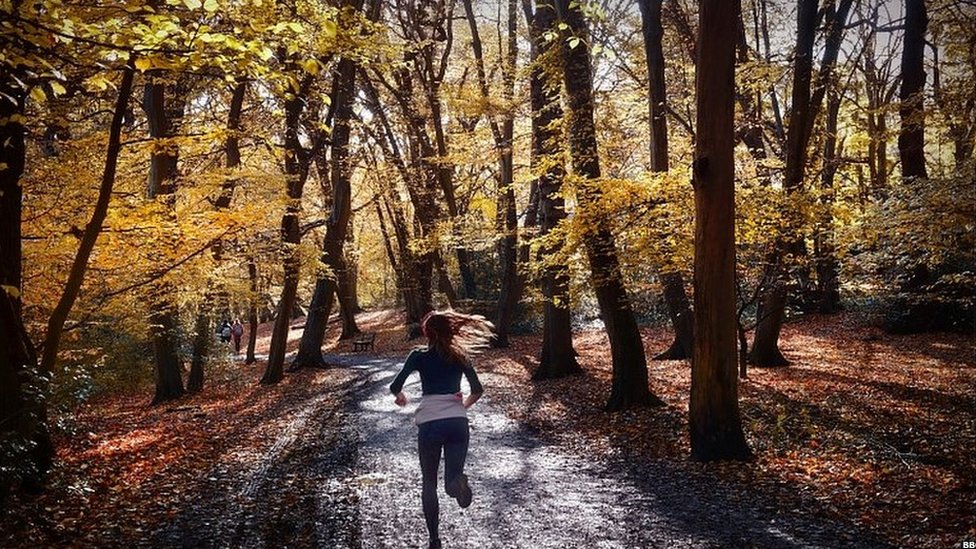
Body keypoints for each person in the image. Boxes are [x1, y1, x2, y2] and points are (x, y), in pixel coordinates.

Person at [390, 310, 492, 549]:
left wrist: (401, 396)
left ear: (427, 332)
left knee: (429, 482)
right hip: (457, 422)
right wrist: (461, 405)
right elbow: (477, 389)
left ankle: (434, 539)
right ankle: (457, 485)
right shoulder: (460, 356)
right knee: (450, 481)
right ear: (449, 331)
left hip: (430, 424)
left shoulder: (418, 356)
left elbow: (395, 385)